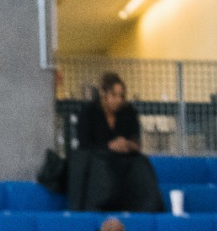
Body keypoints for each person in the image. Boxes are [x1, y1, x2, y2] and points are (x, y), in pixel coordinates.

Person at [67, 72, 165, 213]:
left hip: (123, 158)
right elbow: (84, 144)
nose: (118, 100)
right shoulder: (88, 112)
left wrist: (128, 145)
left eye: (121, 96)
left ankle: (146, 208)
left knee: (143, 164)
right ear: (103, 93)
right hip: (97, 158)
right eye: (114, 95)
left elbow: (136, 142)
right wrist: (109, 146)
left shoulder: (129, 111)